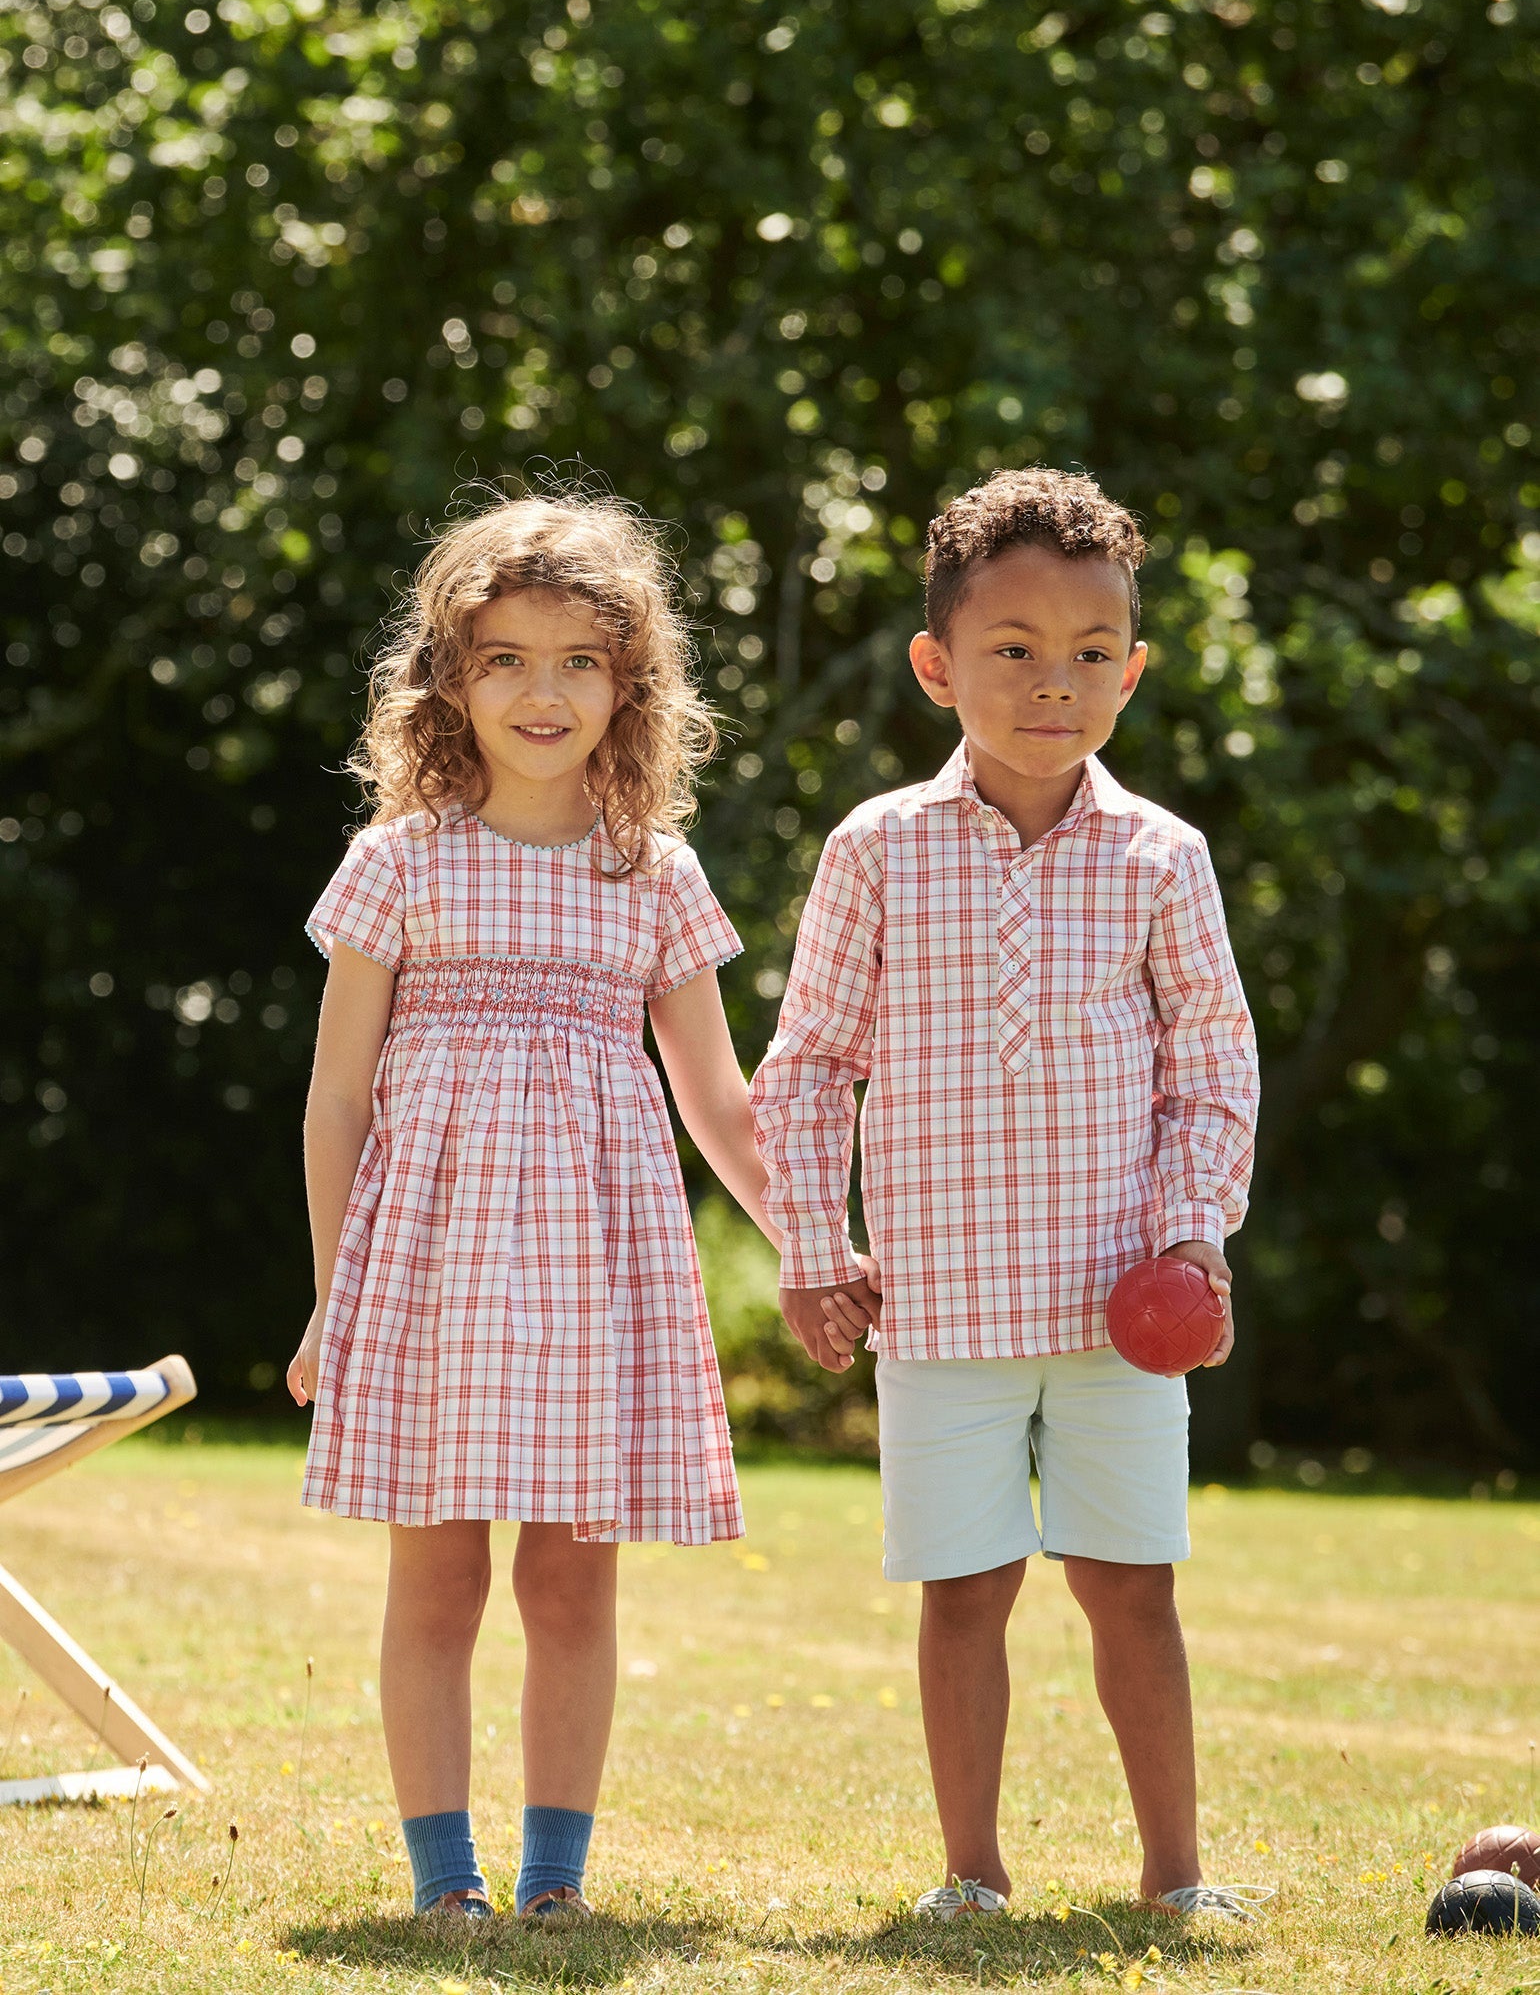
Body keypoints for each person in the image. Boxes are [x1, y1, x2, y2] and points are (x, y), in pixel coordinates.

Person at [751, 468, 1265, 1922]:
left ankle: (1178, 1876)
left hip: (1119, 1313)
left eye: (1094, 651)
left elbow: (1212, 1070)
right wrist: (810, 1245)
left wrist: (1189, 1233)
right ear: (938, 665)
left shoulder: (1165, 856)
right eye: (1016, 649)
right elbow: (809, 1067)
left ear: (1136, 667)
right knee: (965, 1594)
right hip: (943, 1305)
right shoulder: (875, 852)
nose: (1058, 682)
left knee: (1132, 1589)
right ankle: (970, 1875)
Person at [287, 490, 794, 1921]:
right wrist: (333, 1292)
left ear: (629, 681)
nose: (542, 690)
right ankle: (443, 1883)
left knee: (573, 1589)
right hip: (429, 1277)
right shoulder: (398, 861)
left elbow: (716, 1095)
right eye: (505, 657)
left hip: (593, 1284)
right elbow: (336, 1097)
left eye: (578, 659)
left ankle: (555, 1881)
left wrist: (813, 1237)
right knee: (435, 1588)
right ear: (450, 679)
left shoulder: (654, 871)